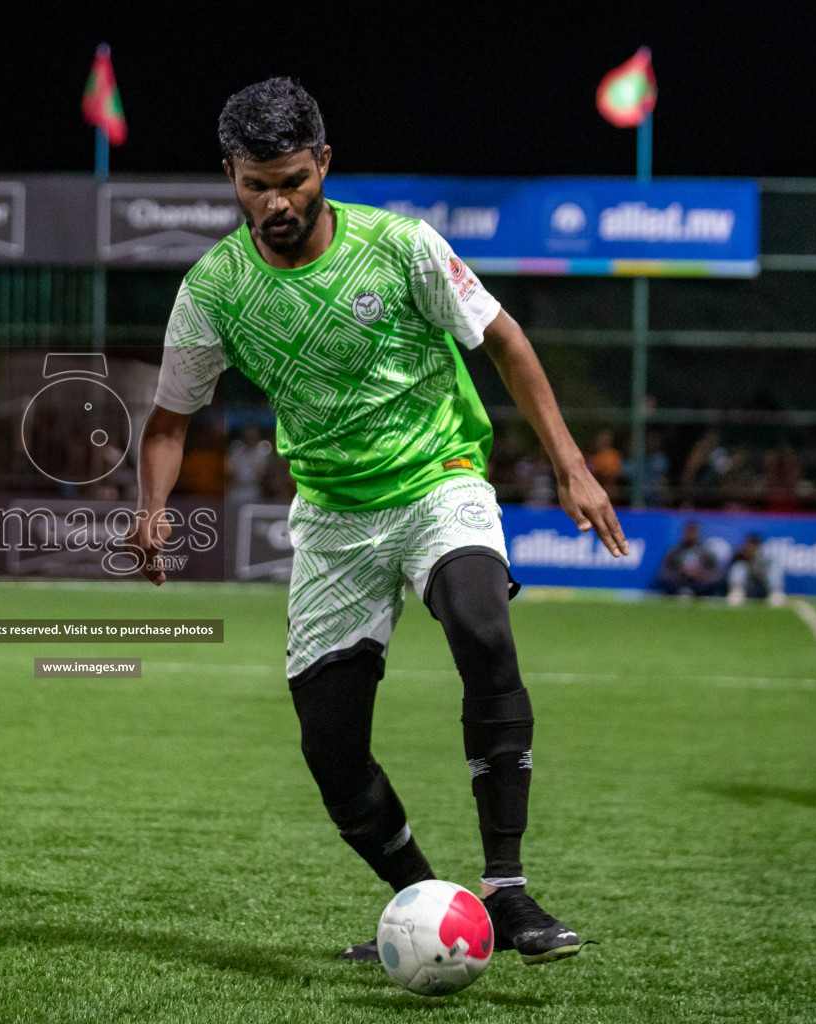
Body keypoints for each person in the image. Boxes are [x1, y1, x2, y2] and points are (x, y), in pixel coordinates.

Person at [132, 79, 626, 968]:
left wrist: (573, 468)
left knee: (482, 627)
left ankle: (508, 891)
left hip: (440, 479)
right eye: (255, 185)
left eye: (291, 179)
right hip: (331, 517)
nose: (276, 203)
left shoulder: (399, 247)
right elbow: (170, 419)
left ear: (324, 161)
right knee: (330, 749)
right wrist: (151, 511)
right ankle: (427, 908)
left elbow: (506, 340)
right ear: (230, 177)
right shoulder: (213, 290)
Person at [657, 522, 724, 597]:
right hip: (678, 585)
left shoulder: (707, 553)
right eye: (688, 532)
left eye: (693, 532)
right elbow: (663, 573)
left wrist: (700, 573)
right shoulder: (674, 552)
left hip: (701, 588)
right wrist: (681, 572)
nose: (690, 535)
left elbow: (718, 574)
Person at [727, 533, 785, 606]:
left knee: (774, 567)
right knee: (739, 566)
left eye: (753, 546)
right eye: (748, 546)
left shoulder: (766, 559)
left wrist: (756, 569)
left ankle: (776, 594)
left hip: (764, 588)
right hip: (747, 589)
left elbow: (765, 576)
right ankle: (737, 593)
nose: (750, 549)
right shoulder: (741, 555)